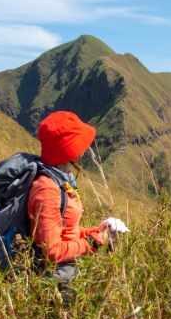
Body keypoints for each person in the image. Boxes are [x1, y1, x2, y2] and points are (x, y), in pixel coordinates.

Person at [28, 110, 125, 304]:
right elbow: (52, 250)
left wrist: (96, 231)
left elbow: (65, 231)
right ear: (69, 148)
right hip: (55, 283)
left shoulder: (62, 179)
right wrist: (96, 241)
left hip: (66, 274)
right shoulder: (47, 188)